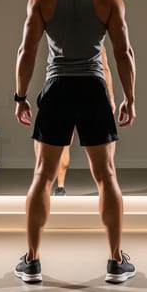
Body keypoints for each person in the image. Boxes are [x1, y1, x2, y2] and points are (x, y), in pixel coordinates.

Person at [14, 0, 137, 284]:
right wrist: (129, 97)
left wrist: (20, 97)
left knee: (42, 175)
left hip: (57, 89)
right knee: (107, 177)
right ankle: (116, 262)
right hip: (94, 90)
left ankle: (32, 262)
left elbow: (27, 51)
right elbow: (123, 53)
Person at [52, 47, 116, 196]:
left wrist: (111, 98)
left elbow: (105, 68)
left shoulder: (61, 38)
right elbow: (106, 68)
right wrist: (111, 98)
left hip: (67, 88)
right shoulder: (94, 41)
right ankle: (61, 187)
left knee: (65, 143)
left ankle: (61, 188)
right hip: (84, 89)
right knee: (65, 143)